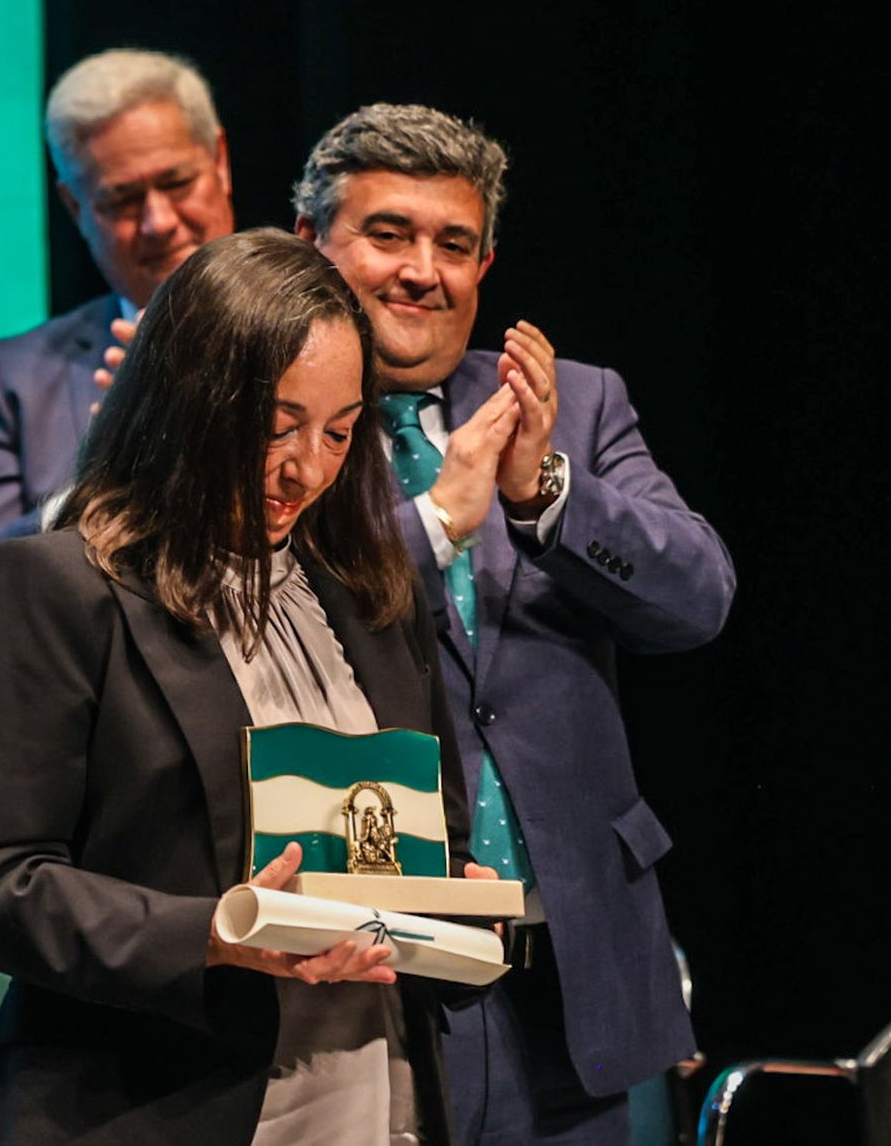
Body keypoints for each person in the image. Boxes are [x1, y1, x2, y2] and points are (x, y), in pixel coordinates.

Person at [0, 230, 488, 1143]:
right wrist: (214, 930)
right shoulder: (57, 588)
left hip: (373, 1100)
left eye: (339, 430)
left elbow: (432, 840)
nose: (305, 466)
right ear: (192, 403)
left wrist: (453, 899)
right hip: (150, 1106)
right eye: (275, 426)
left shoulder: (375, 599)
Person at [294, 104, 736, 1145]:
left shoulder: (570, 402)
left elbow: (697, 597)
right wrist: (434, 519)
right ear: (315, 246)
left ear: (485, 263)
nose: (421, 272)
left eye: (453, 244)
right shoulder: (274, 416)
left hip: (571, 967)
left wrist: (544, 494)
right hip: (373, 965)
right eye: (387, 234)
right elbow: (271, 617)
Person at [0, 47, 236, 649]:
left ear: (220, 161)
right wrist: (99, 474)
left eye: (176, 182)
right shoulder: (22, 375)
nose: (158, 222)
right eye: (121, 200)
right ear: (74, 207)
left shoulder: (323, 333)